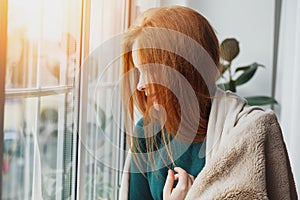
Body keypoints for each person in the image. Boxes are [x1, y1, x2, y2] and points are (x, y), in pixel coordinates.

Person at [119, 6, 297, 200]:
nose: (140, 85)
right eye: (139, 72)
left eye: (150, 70)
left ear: (183, 69)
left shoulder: (247, 131)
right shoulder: (146, 134)